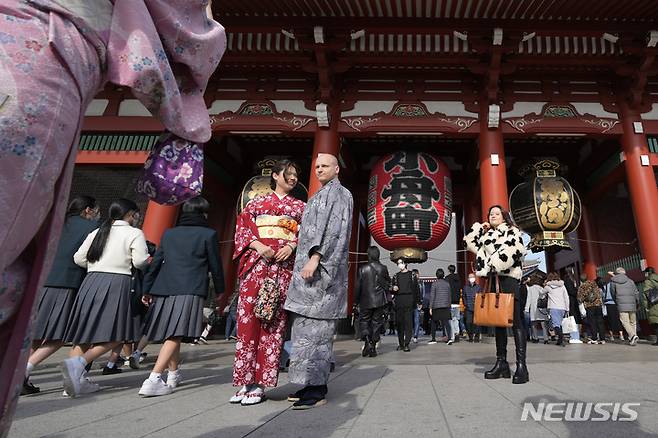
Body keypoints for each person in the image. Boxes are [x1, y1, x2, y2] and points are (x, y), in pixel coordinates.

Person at [0, 1, 225, 427]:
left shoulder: (99, 230)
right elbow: (187, 35)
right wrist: (188, 119)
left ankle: (65, 364)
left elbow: (83, 256)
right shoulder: (136, 234)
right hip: (41, 57)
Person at [230, 160, 306, 406]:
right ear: (275, 175)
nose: (293, 178)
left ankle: (261, 383)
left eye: (296, 175)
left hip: (281, 269)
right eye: (289, 174)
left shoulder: (300, 207)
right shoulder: (255, 204)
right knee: (247, 322)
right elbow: (242, 230)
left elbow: (306, 234)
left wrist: (292, 245)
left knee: (272, 323)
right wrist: (258, 245)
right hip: (257, 265)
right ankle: (244, 380)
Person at [59, 199, 149, 397]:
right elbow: (141, 261)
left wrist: (97, 267)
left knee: (84, 332)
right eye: (137, 213)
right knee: (117, 334)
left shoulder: (98, 231)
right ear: (131, 214)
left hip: (91, 281)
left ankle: (75, 381)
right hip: (118, 282)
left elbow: (79, 258)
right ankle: (78, 364)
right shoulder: (134, 233)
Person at [283, 153, 353, 410]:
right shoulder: (320, 194)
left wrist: (315, 257)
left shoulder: (340, 194)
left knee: (318, 335)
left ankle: (317, 388)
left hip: (322, 273)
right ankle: (307, 384)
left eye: (325, 165)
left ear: (336, 168)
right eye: (316, 166)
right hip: (308, 275)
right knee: (304, 333)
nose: (320, 169)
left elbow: (335, 230)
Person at [138, 196, 224, 397]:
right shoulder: (208, 234)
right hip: (190, 288)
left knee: (172, 333)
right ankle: (154, 378)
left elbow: (156, 262)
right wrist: (220, 289)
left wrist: (146, 289)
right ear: (203, 214)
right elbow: (215, 265)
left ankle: (173, 374)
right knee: (175, 334)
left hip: (164, 288)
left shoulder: (169, 234)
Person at [22, 196, 99, 395]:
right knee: (58, 335)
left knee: (36, 334)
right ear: (89, 210)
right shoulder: (92, 227)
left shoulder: (55, 223)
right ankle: (24, 370)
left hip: (41, 280)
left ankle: (20, 375)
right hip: (67, 282)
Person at [464, 205, 528, 384]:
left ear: (504, 217)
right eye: (491, 214)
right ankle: (501, 362)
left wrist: (490, 262)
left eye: (497, 213)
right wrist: (479, 227)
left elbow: (513, 252)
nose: (493, 216)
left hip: (508, 279)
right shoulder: (485, 235)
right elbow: (470, 242)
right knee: (497, 322)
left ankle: (522, 366)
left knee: (515, 322)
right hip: (492, 280)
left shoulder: (513, 231)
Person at [355, 246, 391, 357]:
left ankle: (368, 343)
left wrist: (356, 301)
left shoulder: (363, 269)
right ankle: (372, 346)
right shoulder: (383, 268)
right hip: (379, 300)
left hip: (366, 300)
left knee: (364, 322)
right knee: (376, 324)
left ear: (369, 255)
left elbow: (358, 287)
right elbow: (387, 283)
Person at [391, 259, 421, 351]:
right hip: (399, 300)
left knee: (408, 323)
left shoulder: (412, 275)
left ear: (406, 264)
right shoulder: (396, 276)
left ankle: (407, 343)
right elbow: (391, 288)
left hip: (409, 299)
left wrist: (418, 302)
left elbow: (416, 289)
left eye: (401, 263)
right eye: (398, 263)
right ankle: (401, 343)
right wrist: (393, 288)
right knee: (399, 323)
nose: (400, 265)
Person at [609, 267, 640, 346]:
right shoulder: (630, 281)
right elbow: (636, 293)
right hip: (632, 303)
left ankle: (633, 336)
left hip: (621, 304)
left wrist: (616, 301)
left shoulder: (613, 281)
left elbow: (613, 293)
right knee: (633, 321)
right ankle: (633, 337)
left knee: (625, 321)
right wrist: (637, 302)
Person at [577, 274, 606, 344]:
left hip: (589, 306)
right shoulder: (594, 283)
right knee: (600, 321)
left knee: (592, 322)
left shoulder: (582, 286)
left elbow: (579, 298)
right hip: (598, 304)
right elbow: (599, 293)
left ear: (581, 280)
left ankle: (594, 338)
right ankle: (602, 339)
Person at [544, 272, 570, 347]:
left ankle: (561, 338)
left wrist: (544, 285)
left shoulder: (548, 287)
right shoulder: (562, 286)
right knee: (559, 324)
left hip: (553, 307)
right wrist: (567, 308)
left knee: (556, 325)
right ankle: (560, 340)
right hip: (562, 307)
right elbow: (566, 297)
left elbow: (541, 293)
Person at [428, 269, 452, 345]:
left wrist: (430, 307)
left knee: (434, 323)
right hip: (445, 306)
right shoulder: (447, 284)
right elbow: (449, 296)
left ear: (437, 275)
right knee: (446, 323)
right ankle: (449, 338)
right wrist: (449, 305)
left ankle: (433, 339)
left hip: (436, 306)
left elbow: (432, 296)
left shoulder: (434, 284)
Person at [601, 273, 625, 341]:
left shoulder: (605, 286)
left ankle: (611, 335)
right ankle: (621, 335)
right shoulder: (617, 285)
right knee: (618, 319)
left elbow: (603, 296)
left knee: (610, 320)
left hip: (608, 304)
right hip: (616, 303)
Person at [525, 276, 549, 343]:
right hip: (541, 307)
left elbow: (528, 299)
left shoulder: (531, 289)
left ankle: (536, 338)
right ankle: (546, 338)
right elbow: (544, 297)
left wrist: (526, 308)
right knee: (543, 324)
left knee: (534, 324)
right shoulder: (541, 288)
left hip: (533, 308)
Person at [563, 270, 583, 343]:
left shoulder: (568, 280)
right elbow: (571, 291)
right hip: (572, 302)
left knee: (574, 318)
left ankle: (575, 336)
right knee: (573, 319)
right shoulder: (568, 280)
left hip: (572, 301)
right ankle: (574, 336)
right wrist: (577, 291)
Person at [445, 264, 462, 342]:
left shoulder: (447, 279)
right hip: (457, 302)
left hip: (450, 302)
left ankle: (452, 336)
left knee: (450, 320)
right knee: (456, 319)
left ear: (449, 270)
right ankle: (457, 332)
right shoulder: (458, 278)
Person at [462, 273, 481, 342]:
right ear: (468, 279)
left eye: (473, 277)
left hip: (477, 307)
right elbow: (463, 296)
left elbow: (480, 296)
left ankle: (477, 337)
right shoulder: (465, 287)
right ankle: (470, 336)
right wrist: (465, 304)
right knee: (468, 322)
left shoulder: (478, 287)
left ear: (475, 278)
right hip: (468, 307)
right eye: (470, 277)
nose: (471, 278)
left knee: (477, 323)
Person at [642, 267, 658, 345]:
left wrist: (646, 307)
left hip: (654, 305)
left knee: (656, 323)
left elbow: (646, 295)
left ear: (648, 273)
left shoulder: (648, 281)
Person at [411, 269, 422, 343]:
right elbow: (419, 294)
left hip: (414, 304)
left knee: (416, 320)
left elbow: (421, 294)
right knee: (414, 320)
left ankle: (414, 335)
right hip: (414, 304)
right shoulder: (417, 284)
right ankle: (413, 335)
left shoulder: (420, 283)